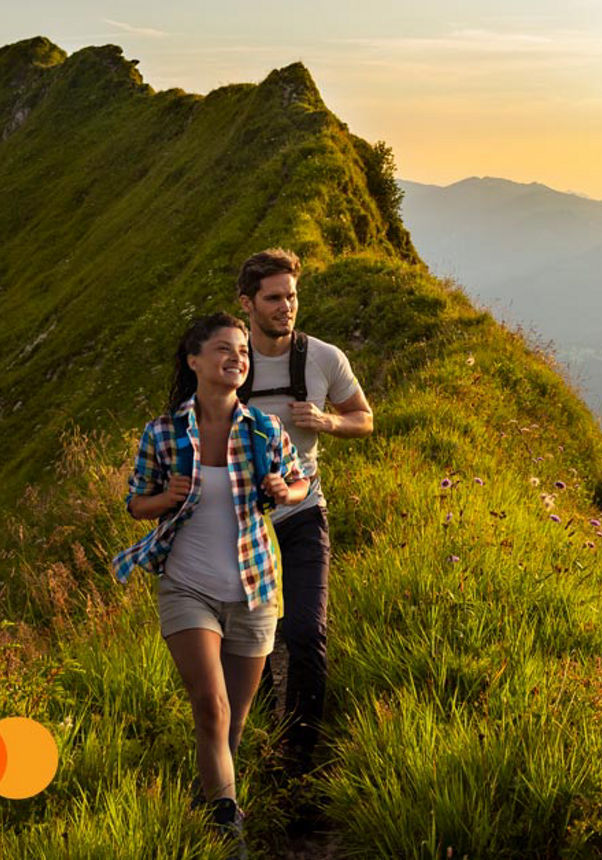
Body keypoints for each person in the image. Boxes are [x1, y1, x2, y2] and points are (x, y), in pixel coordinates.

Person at [113, 313, 308, 857]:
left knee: (232, 724)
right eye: (224, 349)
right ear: (194, 360)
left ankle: (210, 803)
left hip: (255, 588)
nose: (237, 359)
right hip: (187, 587)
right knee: (212, 707)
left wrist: (283, 489)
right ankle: (231, 835)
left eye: (243, 352)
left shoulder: (265, 431)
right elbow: (136, 503)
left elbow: (299, 483)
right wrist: (166, 497)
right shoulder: (164, 432)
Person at [234, 248, 373, 776]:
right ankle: (264, 747)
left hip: (303, 514)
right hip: (243, 524)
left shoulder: (323, 357)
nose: (286, 307)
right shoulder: (229, 358)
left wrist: (326, 421)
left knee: (307, 635)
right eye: (274, 298)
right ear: (247, 303)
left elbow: (364, 417)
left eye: (291, 296)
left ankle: (302, 761)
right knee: (256, 642)